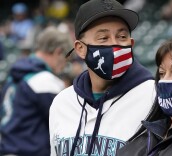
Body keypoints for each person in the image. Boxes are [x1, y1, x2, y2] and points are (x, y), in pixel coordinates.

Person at [49, 0, 155, 156]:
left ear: (131, 44)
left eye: (122, 36)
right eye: (103, 38)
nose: (114, 44)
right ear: (80, 49)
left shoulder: (154, 95)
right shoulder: (62, 102)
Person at [0, 26, 71, 156]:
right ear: (58, 52)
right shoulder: (45, 81)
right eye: (66, 59)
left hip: (8, 148)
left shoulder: (15, 74)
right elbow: (65, 126)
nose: (64, 65)